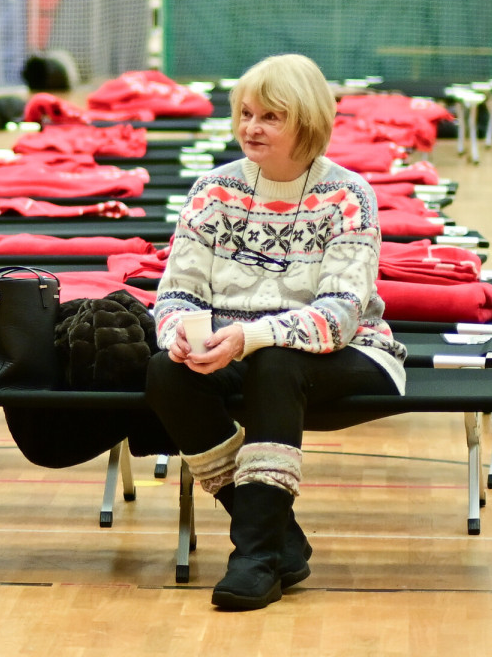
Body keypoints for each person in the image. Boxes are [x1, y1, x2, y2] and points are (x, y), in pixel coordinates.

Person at [145, 54, 407, 610]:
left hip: (351, 352)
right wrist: (179, 332)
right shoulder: (214, 190)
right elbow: (177, 288)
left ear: (306, 122)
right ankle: (279, 539)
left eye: (269, 117)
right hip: (236, 349)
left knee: (276, 361)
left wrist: (250, 337)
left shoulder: (348, 196)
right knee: (165, 373)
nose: (250, 128)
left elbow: (340, 315)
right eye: (245, 114)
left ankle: (256, 557)